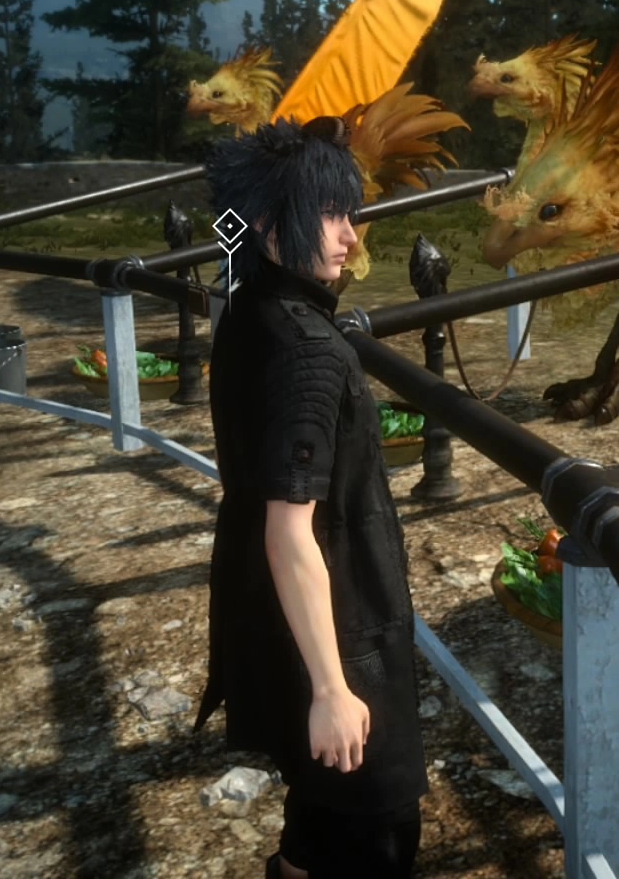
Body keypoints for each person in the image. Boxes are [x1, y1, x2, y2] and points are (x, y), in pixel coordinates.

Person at [194, 117, 427, 878]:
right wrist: (331, 687)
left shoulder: (245, 311)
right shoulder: (308, 349)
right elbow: (290, 532)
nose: (350, 236)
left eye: (348, 213)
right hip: (336, 612)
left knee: (321, 799)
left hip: (271, 605)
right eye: (330, 214)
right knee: (382, 821)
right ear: (269, 223)